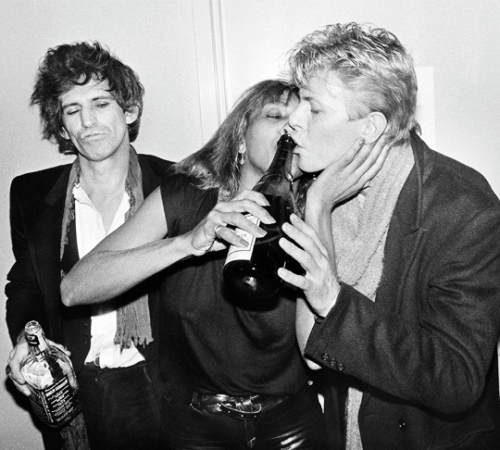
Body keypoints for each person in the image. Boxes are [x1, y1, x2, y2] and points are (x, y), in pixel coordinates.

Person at [60, 79, 329, 449]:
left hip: (290, 424)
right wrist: (188, 243)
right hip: (195, 427)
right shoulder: (186, 198)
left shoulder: (319, 217)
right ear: (239, 136)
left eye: (302, 118)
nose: (291, 126)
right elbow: (75, 289)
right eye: (275, 115)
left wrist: (319, 207)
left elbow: (321, 351)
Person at [275, 22, 500, 449]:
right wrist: (318, 207)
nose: (292, 123)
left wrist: (335, 302)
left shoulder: (465, 208)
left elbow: (457, 379)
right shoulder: (318, 189)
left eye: (313, 107)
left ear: (371, 127)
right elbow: (312, 352)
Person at [5, 41, 173, 450]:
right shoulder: (31, 194)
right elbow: (25, 286)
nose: (88, 122)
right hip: (75, 392)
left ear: (128, 111)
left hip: (165, 388)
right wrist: (26, 343)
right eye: (73, 110)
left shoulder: (173, 185)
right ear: (62, 128)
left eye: (100, 104)